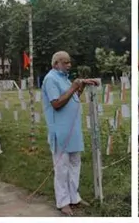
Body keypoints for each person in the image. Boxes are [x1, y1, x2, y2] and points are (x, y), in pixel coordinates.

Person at [42, 51, 98, 216]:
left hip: (73, 131)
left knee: (75, 165)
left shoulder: (64, 78)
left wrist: (79, 89)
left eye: (69, 62)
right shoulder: (50, 79)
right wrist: (74, 87)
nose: (69, 65)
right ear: (56, 63)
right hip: (60, 132)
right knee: (62, 168)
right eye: (65, 63)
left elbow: (71, 98)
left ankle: (74, 197)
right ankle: (63, 202)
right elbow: (57, 103)